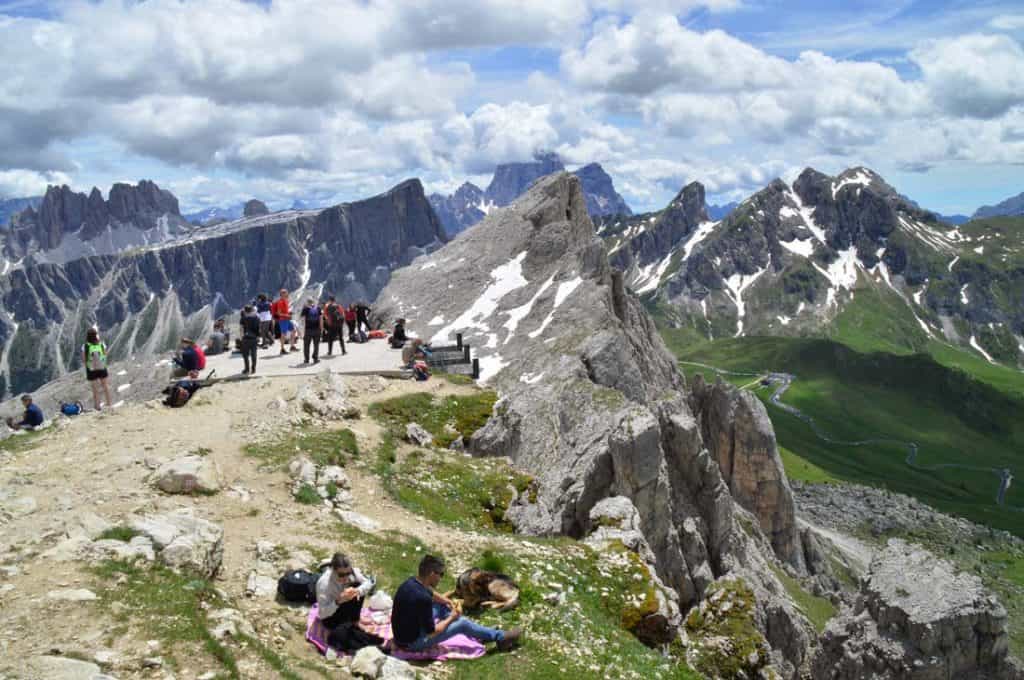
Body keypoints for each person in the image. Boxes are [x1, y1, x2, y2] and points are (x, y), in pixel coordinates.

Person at [391, 555, 521, 653]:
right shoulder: (423, 599)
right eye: (440, 574)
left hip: (404, 632)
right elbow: (432, 632)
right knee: (462, 624)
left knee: (442, 606)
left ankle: (480, 632)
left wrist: (446, 600)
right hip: (412, 643)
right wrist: (451, 617)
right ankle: (501, 637)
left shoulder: (411, 582)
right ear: (432, 574)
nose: (441, 578)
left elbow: (430, 592)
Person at [82, 327, 114, 411]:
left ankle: (97, 406)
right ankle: (109, 404)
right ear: (96, 335)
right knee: (105, 386)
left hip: (91, 369)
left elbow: (84, 359)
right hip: (102, 368)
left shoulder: (85, 346)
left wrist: (88, 365)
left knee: (95, 388)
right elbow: (105, 354)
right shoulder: (101, 344)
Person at [271, 289, 298, 355]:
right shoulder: (280, 302)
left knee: (293, 330)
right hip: (283, 320)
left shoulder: (285, 301)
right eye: (286, 293)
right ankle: (282, 349)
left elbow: (284, 311)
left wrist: (288, 313)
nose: (287, 294)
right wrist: (287, 315)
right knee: (283, 334)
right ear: (282, 294)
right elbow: (279, 313)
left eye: (287, 293)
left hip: (287, 319)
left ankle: (292, 346)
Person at [300, 297, 323, 365]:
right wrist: (321, 329)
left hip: (308, 330)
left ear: (307, 302)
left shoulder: (306, 309)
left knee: (306, 345)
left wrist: (302, 331)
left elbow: (302, 319)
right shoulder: (318, 308)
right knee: (316, 345)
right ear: (313, 302)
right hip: (317, 330)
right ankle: (315, 358)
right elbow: (321, 319)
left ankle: (306, 359)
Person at [239, 304, 260, 375]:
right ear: (251, 310)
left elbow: (241, 329)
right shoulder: (256, 318)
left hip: (245, 338)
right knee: (254, 354)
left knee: (245, 355)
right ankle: (253, 369)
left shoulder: (243, 318)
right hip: (254, 338)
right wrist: (258, 336)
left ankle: (247, 369)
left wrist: (241, 337)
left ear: (245, 311)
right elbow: (258, 328)